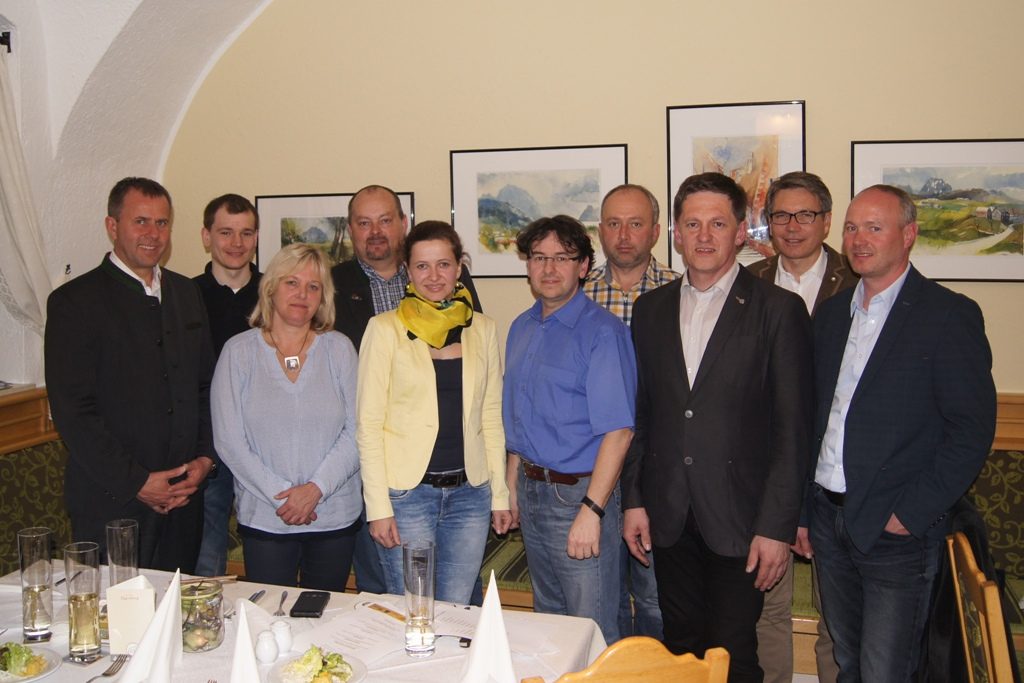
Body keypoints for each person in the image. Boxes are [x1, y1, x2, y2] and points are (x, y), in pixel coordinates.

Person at [622, 172, 813, 683]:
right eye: (693, 224)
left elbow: (793, 432)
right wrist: (635, 499)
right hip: (668, 515)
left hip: (742, 521)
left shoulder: (779, 310)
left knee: (735, 656)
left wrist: (776, 527)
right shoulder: (650, 310)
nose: (704, 236)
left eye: (717, 224)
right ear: (677, 235)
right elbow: (642, 416)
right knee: (682, 653)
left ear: (740, 232)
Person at [806, 185, 996, 681]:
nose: (859, 239)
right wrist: (804, 513)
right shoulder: (830, 316)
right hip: (828, 519)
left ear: (908, 235)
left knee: (887, 671)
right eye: (851, 228)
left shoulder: (947, 315)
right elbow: (814, 420)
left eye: (874, 227)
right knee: (848, 661)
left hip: (896, 532)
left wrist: (909, 514)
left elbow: (971, 430)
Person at [45, 177, 216, 572]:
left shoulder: (187, 294)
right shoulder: (74, 303)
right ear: (112, 226)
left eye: (162, 223)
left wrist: (205, 459)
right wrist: (137, 481)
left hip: (183, 501)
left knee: (178, 617)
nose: (153, 234)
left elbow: (205, 387)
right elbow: (74, 412)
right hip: (111, 501)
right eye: (141, 221)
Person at [331, 184, 482, 594]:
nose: (375, 231)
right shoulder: (330, 285)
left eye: (385, 220)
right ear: (350, 230)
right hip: (375, 468)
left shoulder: (449, 285)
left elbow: (473, 379)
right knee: (386, 594)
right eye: (364, 223)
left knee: (457, 602)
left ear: (403, 223)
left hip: (454, 473)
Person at [356, 221, 511, 604]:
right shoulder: (384, 329)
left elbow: (490, 416)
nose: (434, 275)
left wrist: (500, 495)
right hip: (408, 496)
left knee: (458, 607)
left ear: (459, 268)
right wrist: (378, 507)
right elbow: (368, 425)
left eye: (443, 264)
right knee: (416, 609)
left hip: (470, 495)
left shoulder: (484, 329)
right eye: (422, 266)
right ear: (408, 270)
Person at [504, 215, 636, 643]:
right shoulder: (521, 328)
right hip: (532, 490)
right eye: (539, 257)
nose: (548, 268)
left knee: (591, 631)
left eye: (562, 257)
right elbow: (518, 421)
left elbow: (619, 431)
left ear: (583, 266)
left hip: (578, 497)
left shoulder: (603, 333)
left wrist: (592, 512)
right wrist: (512, 488)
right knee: (551, 626)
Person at [748, 172, 857, 683]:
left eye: (805, 214)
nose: (792, 226)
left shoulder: (859, 282)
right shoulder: (749, 286)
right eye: (780, 215)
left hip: (840, 475)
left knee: (838, 615)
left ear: (827, 220)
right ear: (767, 224)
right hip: (766, 471)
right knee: (767, 605)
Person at [211, 244, 361, 591]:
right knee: (269, 620)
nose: (302, 294)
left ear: (323, 297)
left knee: (324, 619)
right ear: (271, 288)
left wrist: (314, 491)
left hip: (332, 516)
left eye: (313, 286)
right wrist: (285, 497)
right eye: (292, 283)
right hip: (267, 518)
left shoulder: (340, 349)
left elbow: (357, 431)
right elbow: (229, 441)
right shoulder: (238, 353)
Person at [583, 183, 679, 639]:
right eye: (614, 223)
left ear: (656, 231)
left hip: (657, 470)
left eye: (635, 224)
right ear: (600, 231)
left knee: (657, 598)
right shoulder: (575, 296)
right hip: (593, 471)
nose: (623, 234)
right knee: (603, 600)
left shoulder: (683, 294)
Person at [193, 193, 262, 577]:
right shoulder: (183, 296)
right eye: (225, 232)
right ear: (206, 236)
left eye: (246, 233)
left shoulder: (277, 293)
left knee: (270, 555)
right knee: (208, 554)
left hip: (266, 447)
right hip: (210, 447)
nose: (237, 243)